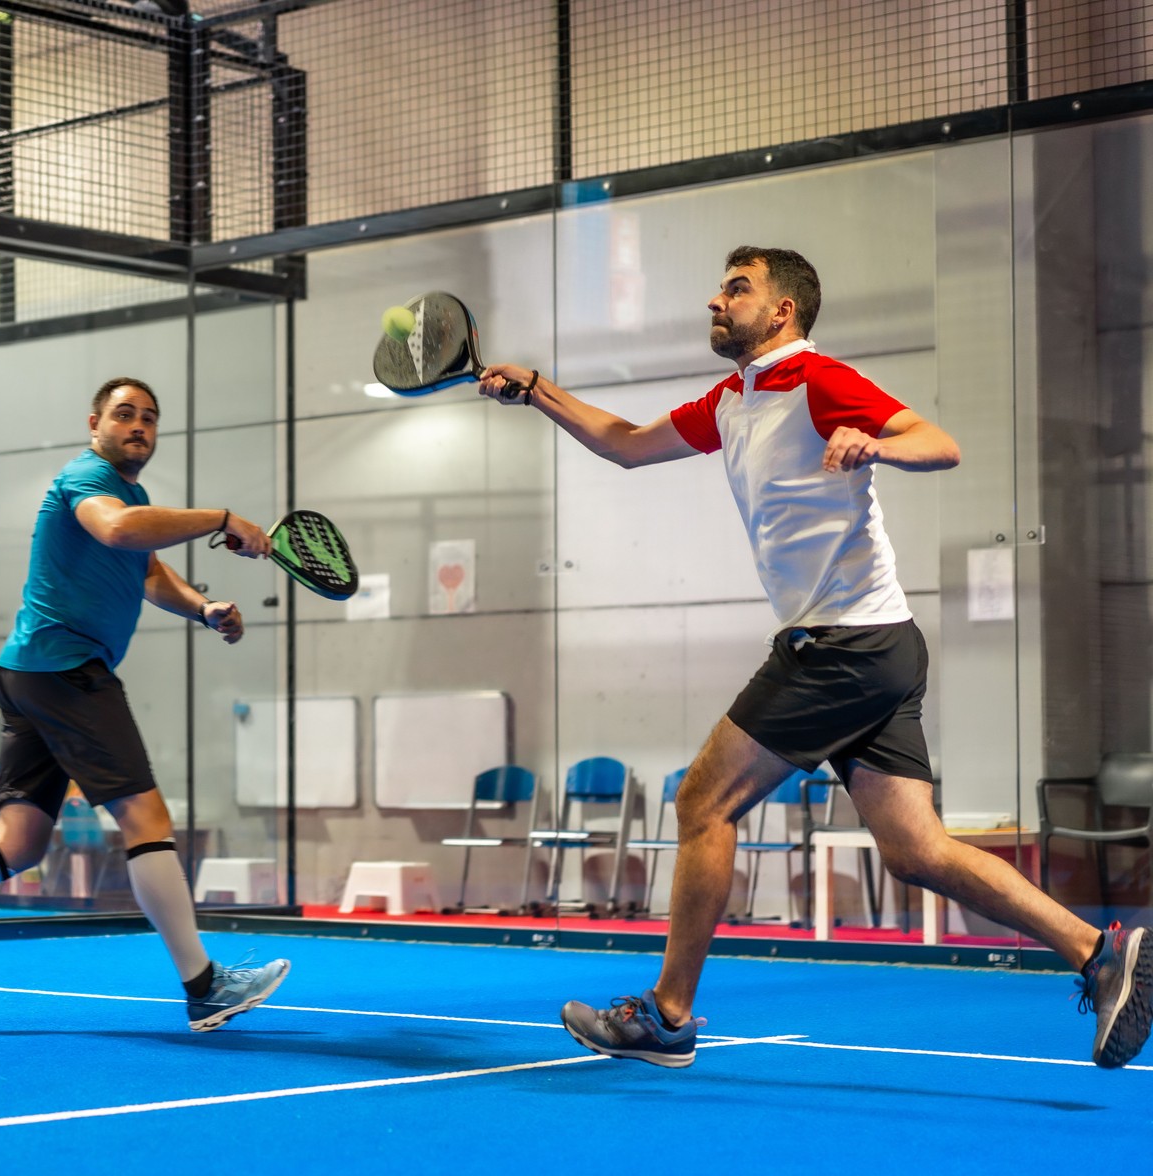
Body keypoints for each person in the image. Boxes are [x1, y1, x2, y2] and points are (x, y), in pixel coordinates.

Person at [478, 246, 1151, 1070]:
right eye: (721, 287)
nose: (716, 301)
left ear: (783, 311)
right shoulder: (731, 399)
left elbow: (940, 444)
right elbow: (623, 444)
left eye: (737, 289)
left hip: (842, 646)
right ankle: (1100, 951)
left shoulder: (817, 380)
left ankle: (670, 1016)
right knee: (917, 852)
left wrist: (875, 444)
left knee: (700, 803)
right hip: (879, 646)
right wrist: (537, 391)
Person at [0, 376, 293, 1032]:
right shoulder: (88, 480)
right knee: (146, 815)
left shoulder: (129, 494)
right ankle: (203, 986)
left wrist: (203, 607)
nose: (139, 426)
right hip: (65, 671)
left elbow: (148, 569)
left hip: (31, 672)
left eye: (150, 419)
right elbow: (119, 532)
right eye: (125, 415)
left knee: (18, 841)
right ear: (95, 425)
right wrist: (222, 519)